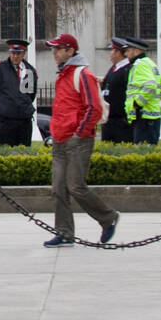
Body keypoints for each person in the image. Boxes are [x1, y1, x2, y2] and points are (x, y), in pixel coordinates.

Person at [42, 33, 118, 247]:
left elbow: (93, 107)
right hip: (60, 139)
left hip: (78, 140)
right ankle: (64, 232)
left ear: (70, 51)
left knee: (75, 186)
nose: (54, 53)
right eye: (53, 49)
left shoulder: (82, 74)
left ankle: (108, 217)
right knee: (59, 188)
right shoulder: (63, 75)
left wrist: (80, 132)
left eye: (58, 49)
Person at [0, 38, 38, 147]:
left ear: (23, 54)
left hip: (24, 121)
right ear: (9, 52)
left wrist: (22, 107)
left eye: (18, 53)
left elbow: (29, 95)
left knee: (24, 154)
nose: (15, 56)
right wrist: (0, 107)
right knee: (5, 152)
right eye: (13, 53)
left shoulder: (29, 71)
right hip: (5, 121)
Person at [122, 37, 161, 145]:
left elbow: (150, 86)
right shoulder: (150, 63)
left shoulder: (139, 64)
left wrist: (138, 103)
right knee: (150, 152)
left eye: (128, 50)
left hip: (143, 117)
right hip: (151, 116)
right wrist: (151, 102)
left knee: (142, 151)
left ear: (136, 51)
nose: (126, 54)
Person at [98, 37, 134, 143]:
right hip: (109, 119)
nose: (110, 53)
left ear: (118, 52)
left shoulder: (127, 69)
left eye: (112, 50)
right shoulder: (114, 68)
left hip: (121, 120)